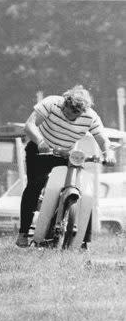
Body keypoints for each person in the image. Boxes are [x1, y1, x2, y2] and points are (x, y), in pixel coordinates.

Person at [15, 85, 115, 248]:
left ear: (82, 112)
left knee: (81, 190)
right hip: (41, 150)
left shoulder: (91, 117)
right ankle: (23, 234)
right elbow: (30, 125)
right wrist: (40, 141)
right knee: (34, 186)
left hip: (65, 154)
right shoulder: (51, 103)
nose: (68, 118)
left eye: (73, 116)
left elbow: (102, 138)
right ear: (64, 104)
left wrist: (108, 153)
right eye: (66, 113)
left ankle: (83, 242)